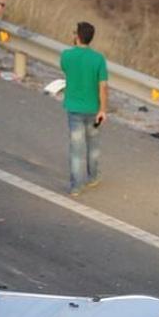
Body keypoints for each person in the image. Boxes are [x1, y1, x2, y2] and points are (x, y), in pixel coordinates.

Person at [60, 22, 108, 196]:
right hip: (93, 109)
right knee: (93, 144)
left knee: (76, 148)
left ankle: (75, 186)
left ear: (77, 36)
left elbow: (66, 71)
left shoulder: (66, 55)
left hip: (74, 108)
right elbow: (103, 87)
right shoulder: (99, 59)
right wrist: (103, 109)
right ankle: (93, 176)